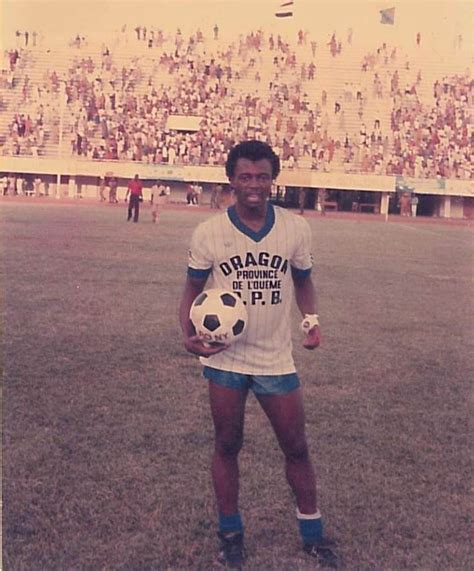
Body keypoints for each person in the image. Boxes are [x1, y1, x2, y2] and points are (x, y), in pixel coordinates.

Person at [179, 141, 339, 569]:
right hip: (225, 360)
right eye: (245, 177)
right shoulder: (209, 232)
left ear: (273, 179)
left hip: (275, 359)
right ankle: (230, 533)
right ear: (231, 179)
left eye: (262, 176)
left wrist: (311, 320)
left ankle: (313, 533)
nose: (254, 185)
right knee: (227, 444)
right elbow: (192, 292)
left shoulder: (294, 229)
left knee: (297, 447)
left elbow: (303, 282)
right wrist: (187, 336)